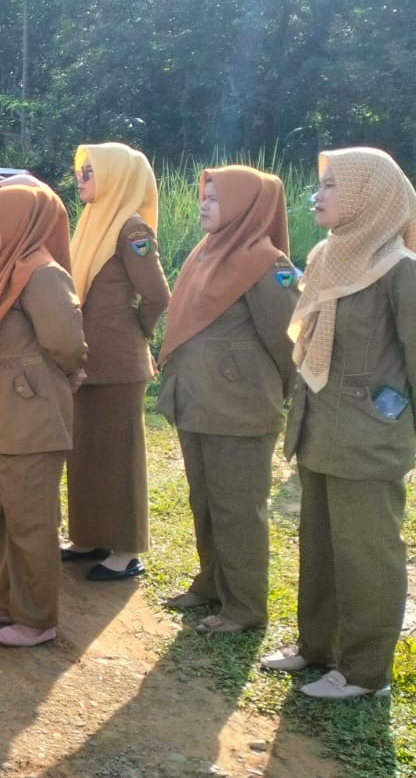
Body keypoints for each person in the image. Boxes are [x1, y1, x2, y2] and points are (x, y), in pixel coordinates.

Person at [261, 147, 416, 700]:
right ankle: (317, 647)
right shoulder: (330, 257)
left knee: (367, 552)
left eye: (331, 186)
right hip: (322, 426)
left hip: (368, 436)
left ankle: (366, 672)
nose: (317, 196)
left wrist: (394, 421)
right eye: (319, 185)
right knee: (321, 544)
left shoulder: (400, 270)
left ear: (368, 197)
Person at [156, 166, 296, 634]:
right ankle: (211, 585)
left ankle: (245, 607)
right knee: (206, 500)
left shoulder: (266, 262)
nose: (204, 205)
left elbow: (288, 339)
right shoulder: (207, 251)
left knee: (238, 507)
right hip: (198, 400)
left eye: (215, 198)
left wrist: (265, 387)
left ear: (243, 204)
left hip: (239, 407)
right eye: (204, 196)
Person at [0, 184, 86, 647]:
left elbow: (67, 343)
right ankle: (7, 602)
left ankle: (37, 619)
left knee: (31, 519)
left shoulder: (42, 274)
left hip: (28, 418)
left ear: (21, 224)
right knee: (4, 516)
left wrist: (63, 376)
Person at [64, 143, 170, 580]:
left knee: (120, 454)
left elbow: (158, 296)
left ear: (116, 177)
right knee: (86, 451)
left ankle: (126, 550)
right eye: (81, 171)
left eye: (90, 171)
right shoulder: (94, 221)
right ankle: (90, 536)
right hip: (87, 360)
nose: (81, 178)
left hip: (117, 363)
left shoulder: (131, 229)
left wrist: (132, 332)